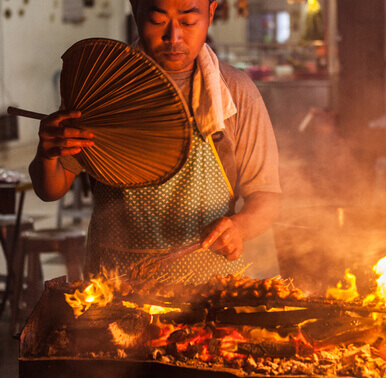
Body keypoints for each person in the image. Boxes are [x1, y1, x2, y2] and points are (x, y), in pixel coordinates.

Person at [29, 0, 281, 283]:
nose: (173, 37)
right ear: (135, 9)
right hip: (115, 289)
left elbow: (266, 197)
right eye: (158, 20)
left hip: (210, 292)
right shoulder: (102, 86)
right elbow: (50, 189)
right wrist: (48, 154)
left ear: (211, 12)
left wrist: (240, 227)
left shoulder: (235, 93)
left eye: (187, 22)